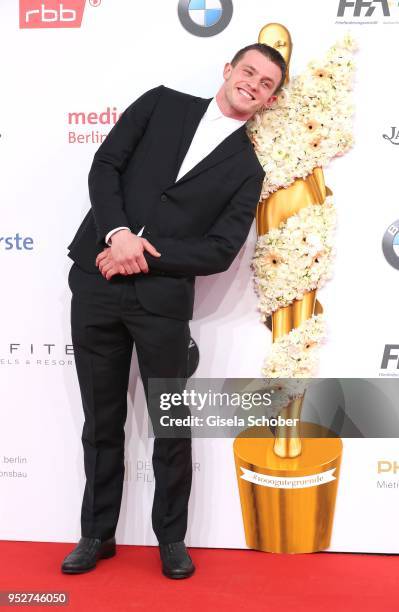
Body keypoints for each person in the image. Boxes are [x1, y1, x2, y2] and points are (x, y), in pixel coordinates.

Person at [61, 42, 286, 579]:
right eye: (248, 72)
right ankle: (96, 534)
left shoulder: (249, 168)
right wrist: (117, 234)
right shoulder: (161, 103)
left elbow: (219, 250)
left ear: (269, 101)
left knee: (171, 426)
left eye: (266, 84)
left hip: (161, 304)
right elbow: (106, 164)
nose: (252, 84)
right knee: (102, 420)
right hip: (96, 278)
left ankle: (172, 540)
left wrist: (138, 252)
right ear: (228, 69)